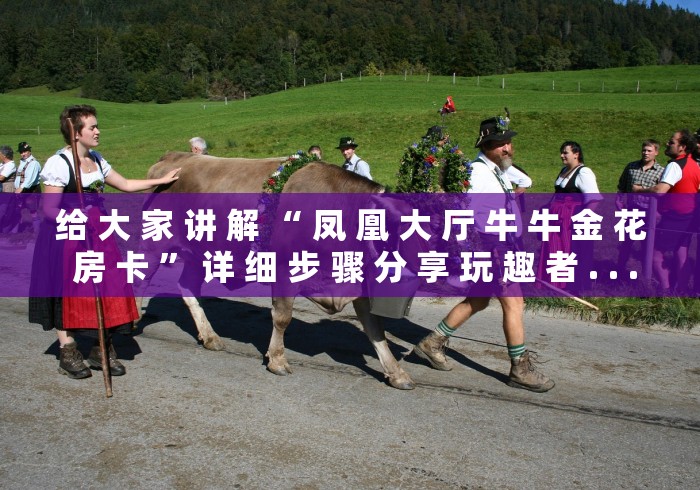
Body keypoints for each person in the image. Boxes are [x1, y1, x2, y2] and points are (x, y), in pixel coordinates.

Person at [28, 105, 180, 380]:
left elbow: (125, 184)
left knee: (109, 285)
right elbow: (48, 209)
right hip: (68, 236)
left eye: (97, 126)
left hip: (98, 234)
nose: (98, 131)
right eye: (92, 127)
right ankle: (68, 352)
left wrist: (162, 180)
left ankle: (100, 347)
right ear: (75, 132)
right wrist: (77, 218)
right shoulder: (58, 164)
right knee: (69, 291)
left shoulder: (96, 159)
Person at [412, 116, 554, 393]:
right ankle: (520, 369)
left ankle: (432, 342)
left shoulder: (497, 171)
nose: (507, 148)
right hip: (493, 249)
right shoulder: (478, 173)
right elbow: (468, 216)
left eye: (509, 142)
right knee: (515, 303)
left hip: (502, 247)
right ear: (486, 146)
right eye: (501, 144)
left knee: (478, 300)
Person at [633, 129, 700, 294]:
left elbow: (660, 191)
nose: (667, 144)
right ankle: (682, 292)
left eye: (672, 142)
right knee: (681, 254)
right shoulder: (693, 165)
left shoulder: (675, 165)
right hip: (689, 216)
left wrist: (640, 190)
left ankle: (665, 291)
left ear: (682, 147)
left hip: (674, 216)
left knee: (654, 254)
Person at [536, 141, 602, 288]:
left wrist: (582, 220)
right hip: (557, 217)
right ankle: (554, 282)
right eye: (561, 152)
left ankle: (568, 284)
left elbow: (594, 199)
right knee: (554, 247)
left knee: (569, 248)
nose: (562, 155)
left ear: (576, 154)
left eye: (565, 152)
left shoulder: (584, 172)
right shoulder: (564, 170)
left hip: (571, 217)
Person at [615, 139, 664, 269]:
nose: (645, 153)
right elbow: (622, 185)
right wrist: (619, 199)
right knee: (626, 243)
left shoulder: (661, 171)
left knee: (647, 246)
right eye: (644, 150)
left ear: (656, 152)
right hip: (632, 211)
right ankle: (620, 269)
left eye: (649, 151)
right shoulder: (631, 167)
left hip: (649, 213)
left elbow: (662, 194)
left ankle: (646, 274)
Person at [14, 142, 42, 233]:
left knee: (33, 211)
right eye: (21, 152)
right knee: (18, 209)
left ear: (29, 151)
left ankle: (37, 231)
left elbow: (30, 179)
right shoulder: (22, 162)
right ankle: (18, 231)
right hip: (21, 190)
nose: (23, 154)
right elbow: (19, 177)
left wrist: (21, 188)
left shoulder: (34, 163)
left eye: (25, 151)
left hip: (31, 190)